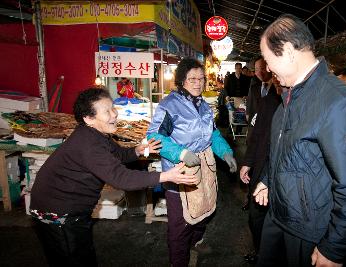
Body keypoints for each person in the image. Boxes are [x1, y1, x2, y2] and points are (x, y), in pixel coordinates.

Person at [253, 14, 346, 267]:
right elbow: (284, 149)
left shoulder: (339, 103)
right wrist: (267, 179)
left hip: (310, 230)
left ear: (287, 51)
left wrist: (335, 247)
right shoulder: (289, 95)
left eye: (267, 59)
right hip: (279, 215)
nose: (267, 68)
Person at [30, 88, 197, 267]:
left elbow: (116, 154)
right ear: (89, 118)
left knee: (82, 254)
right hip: (57, 210)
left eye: (113, 108)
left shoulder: (96, 134)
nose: (114, 115)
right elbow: (121, 178)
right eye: (107, 111)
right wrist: (166, 176)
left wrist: (136, 151)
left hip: (71, 207)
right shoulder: (89, 144)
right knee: (72, 258)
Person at [147, 57, 237, 267]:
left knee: (204, 208)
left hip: (204, 168)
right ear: (181, 80)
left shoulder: (204, 105)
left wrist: (225, 153)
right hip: (179, 173)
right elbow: (155, 137)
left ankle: (196, 240)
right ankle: (178, 261)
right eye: (192, 79)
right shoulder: (168, 105)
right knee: (180, 223)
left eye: (201, 79)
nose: (198, 83)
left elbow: (212, 135)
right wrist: (180, 153)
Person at [240, 56, 282, 264]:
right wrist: (247, 162)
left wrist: (269, 178)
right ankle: (260, 254)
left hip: (281, 177)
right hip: (259, 168)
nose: (276, 79)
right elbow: (256, 136)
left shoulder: (299, 104)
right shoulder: (269, 100)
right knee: (256, 218)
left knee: (275, 223)